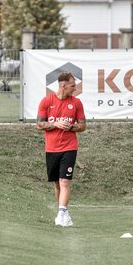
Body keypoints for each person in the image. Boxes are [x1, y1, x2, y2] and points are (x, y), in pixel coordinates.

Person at [37, 72, 86, 227]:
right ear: (63, 85)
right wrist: (56, 124)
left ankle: (61, 214)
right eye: (72, 85)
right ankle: (64, 212)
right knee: (57, 184)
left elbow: (83, 125)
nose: (75, 88)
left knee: (65, 181)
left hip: (69, 148)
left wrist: (71, 127)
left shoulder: (76, 103)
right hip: (51, 148)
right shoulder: (46, 101)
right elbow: (39, 124)